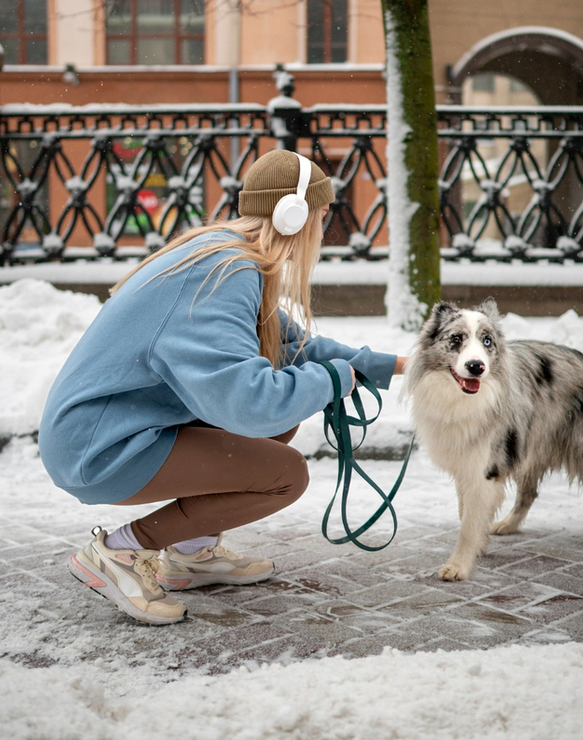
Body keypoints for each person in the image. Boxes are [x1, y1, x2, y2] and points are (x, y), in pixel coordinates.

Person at [38, 150, 406, 626]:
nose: (323, 225)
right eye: (321, 213)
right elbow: (250, 404)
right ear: (292, 215)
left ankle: (192, 552)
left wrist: (400, 365)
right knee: (285, 474)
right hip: (98, 447)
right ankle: (119, 552)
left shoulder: (231, 255)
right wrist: (332, 381)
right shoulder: (223, 273)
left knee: (279, 430)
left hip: (118, 428)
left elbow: (292, 348)